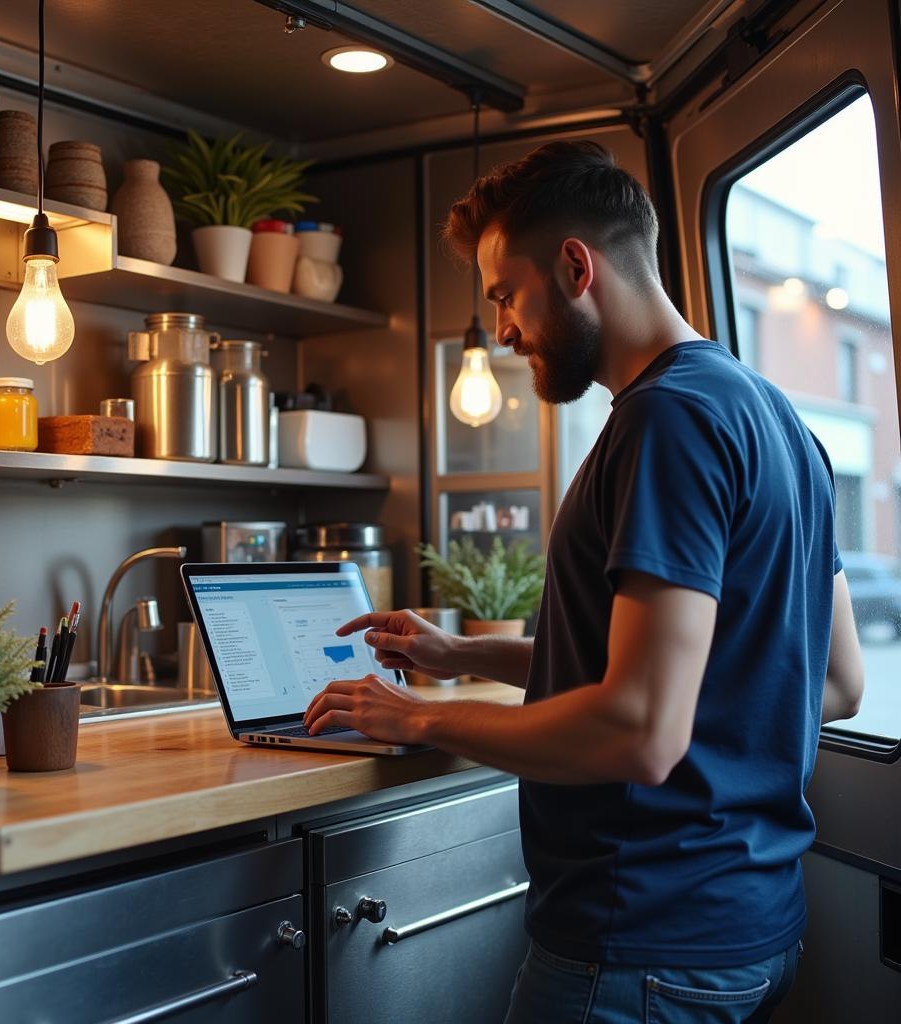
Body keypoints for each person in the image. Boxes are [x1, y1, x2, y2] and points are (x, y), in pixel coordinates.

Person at [303, 140, 865, 1023]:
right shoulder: (779, 422)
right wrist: (462, 654)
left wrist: (413, 716)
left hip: (638, 945)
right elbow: (830, 680)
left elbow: (641, 730)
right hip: (753, 933)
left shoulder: (666, 424)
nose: (501, 330)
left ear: (574, 266)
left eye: (504, 295)